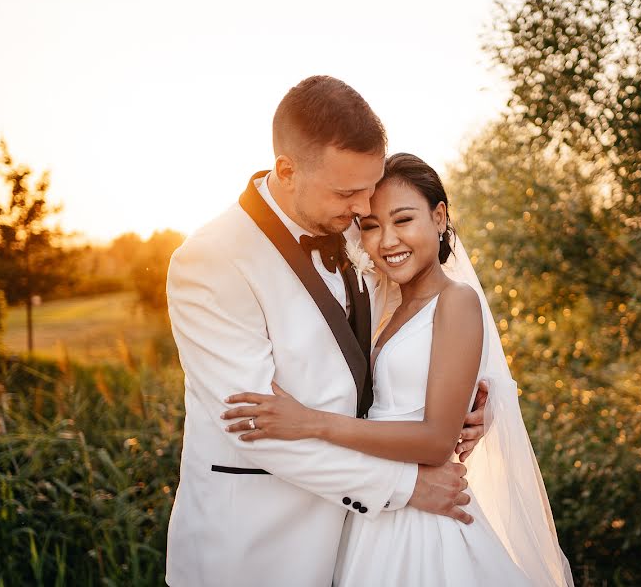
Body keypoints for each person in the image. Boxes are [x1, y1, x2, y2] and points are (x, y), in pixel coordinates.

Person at [164, 77, 490, 586]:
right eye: (348, 192)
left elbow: (408, 344)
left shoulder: (357, 230)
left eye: (370, 185)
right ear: (288, 171)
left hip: (361, 543)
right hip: (256, 551)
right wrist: (406, 486)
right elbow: (256, 430)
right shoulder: (212, 260)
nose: (365, 208)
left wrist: (467, 402)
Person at [223, 153, 575, 586]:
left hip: (425, 523)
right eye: (371, 226)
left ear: (439, 216)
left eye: (404, 220)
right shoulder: (382, 301)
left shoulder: (457, 300)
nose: (387, 240)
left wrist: (311, 423)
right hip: (375, 511)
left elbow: (434, 441)